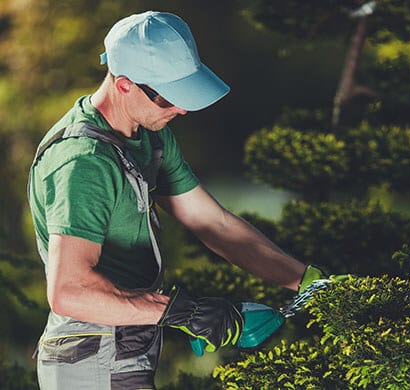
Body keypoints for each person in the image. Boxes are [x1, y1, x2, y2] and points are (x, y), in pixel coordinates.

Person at [27, 10, 328, 389]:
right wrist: (190, 313)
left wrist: (306, 280)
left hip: (127, 347)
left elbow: (212, 223)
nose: (182, 109)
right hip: (90, 360)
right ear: (124, 85)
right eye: (170, 98)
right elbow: (69, 292)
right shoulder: (83, 162)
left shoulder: (148, 134)